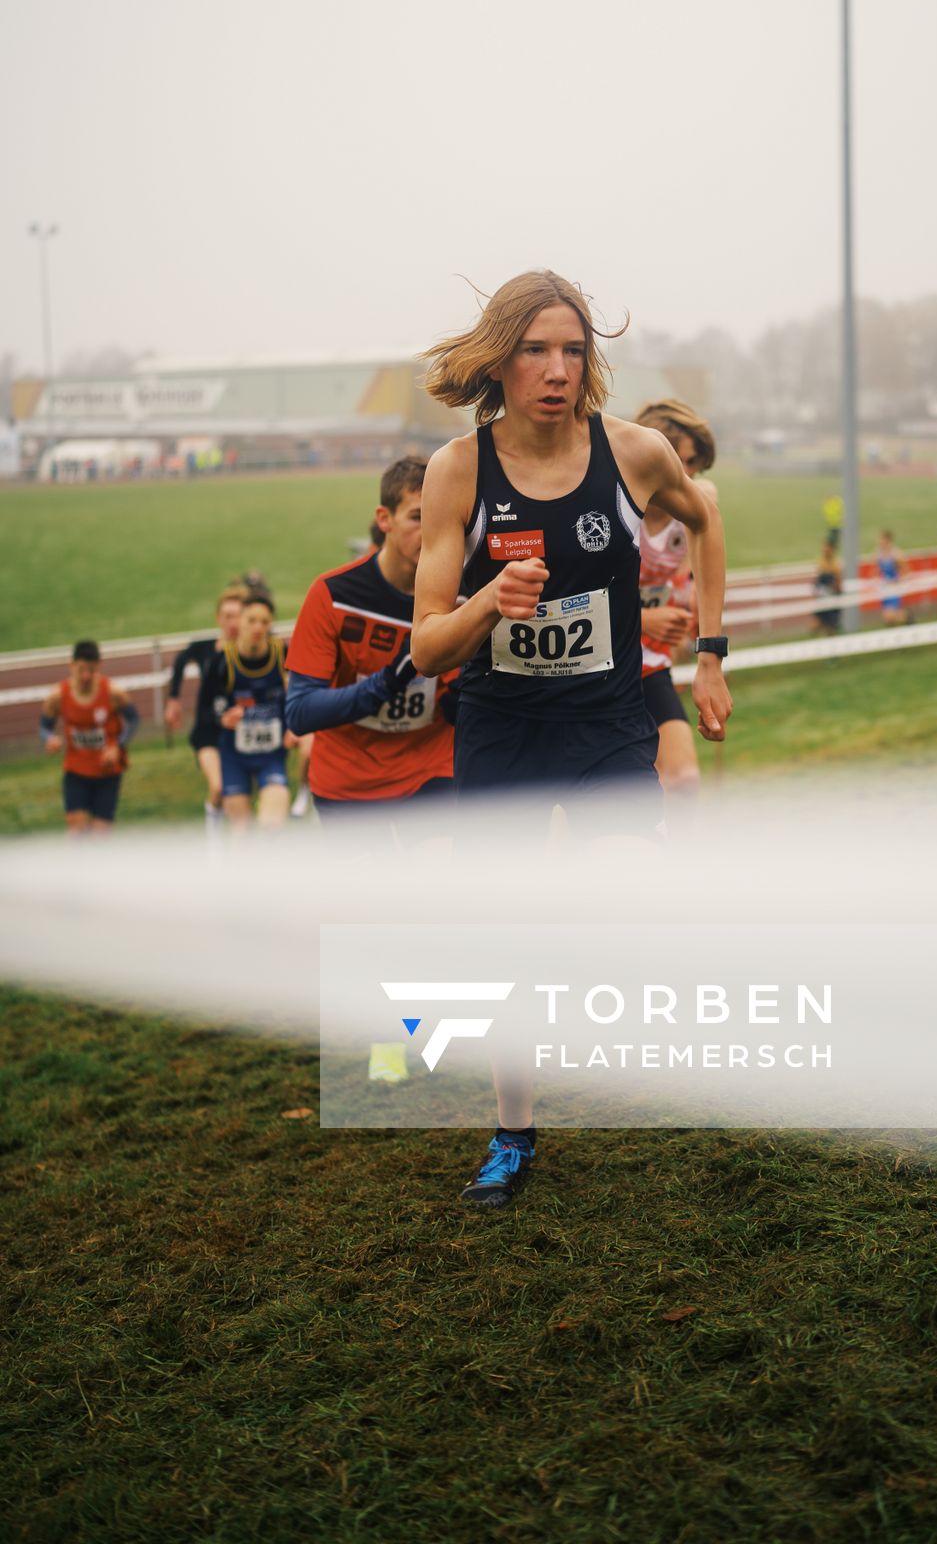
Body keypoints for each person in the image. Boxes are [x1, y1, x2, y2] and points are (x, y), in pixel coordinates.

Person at [411, 270, 731, 1209]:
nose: (555, 370)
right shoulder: (457, 471)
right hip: (503, 729)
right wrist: (485, 604)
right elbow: (428, 647)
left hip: (604, 725)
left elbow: (707, 522)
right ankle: (513, 1136)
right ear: (499, 359)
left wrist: (710, 655)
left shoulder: (631, 454)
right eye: (534, 350)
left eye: (572, 350)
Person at [284, 456, 456, 829]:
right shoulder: (332, 595)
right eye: (416, 516)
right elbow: (299, 712)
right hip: (349, 784)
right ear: (384, 519)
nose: (431, 530)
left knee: (439, 877)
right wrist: (386, 683)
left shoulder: (464, 595)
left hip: (432, 772)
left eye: (440, 514)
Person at [632, 398, 718, 802]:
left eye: (696, 466)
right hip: (593, 663)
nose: (692, 475)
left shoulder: (694, 505)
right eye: (684, 463)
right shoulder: (614, 506)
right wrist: (643, 620)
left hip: (649, 664)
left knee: (683, 781)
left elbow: (707, 502)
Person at [203, 593, 294, 830]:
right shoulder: (222, 662)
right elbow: (206, 711)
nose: (258, 627)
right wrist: (222, 718)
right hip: (235, 756)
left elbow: (297, 697)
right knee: (241, 838)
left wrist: (294, 727)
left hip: (272, 755)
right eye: (251, 620)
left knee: (271, 827)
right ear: (239, 622)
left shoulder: (282, 653)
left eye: (264, 622)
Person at [165, 584, 247, 835]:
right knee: (219, 787)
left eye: (238, 616)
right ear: (218, 618)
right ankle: (214, 836)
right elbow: (180, 660)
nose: (233, 622)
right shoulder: (205, 648)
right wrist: (173, 699)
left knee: (240, 798)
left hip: (240, 734)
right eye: (227, 616)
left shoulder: (253, 653)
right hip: (208, 732)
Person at [39, 640, 139, 833]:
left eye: (91, 670)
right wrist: (49, 739)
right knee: (76, 832)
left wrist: (117, 746)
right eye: (81, 669)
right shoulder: (58, 695)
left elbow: (133, 721)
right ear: (71, 665)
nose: (85, 676)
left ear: (99, 666)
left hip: (107, 771)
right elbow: (44, 726)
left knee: (99, 837)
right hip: (76, 771)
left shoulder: (113, 692)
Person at [874, 531, 908, 627]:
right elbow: (877, 569)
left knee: (890, 616)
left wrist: (898, 581)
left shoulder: (896, 554)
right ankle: (900, 628)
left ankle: (908, 619)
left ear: (888, 540)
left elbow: (905, 570)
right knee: (887, 619)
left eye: (882, 540)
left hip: (894, 588)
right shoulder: (879, 553)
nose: (880, 542)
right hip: (884, 588)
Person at [813, 534, 844, 633]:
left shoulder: (836, 564)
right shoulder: (820, 562)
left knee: (831, 627)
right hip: (822, 598)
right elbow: (817, 580)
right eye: (823, 547)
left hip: (832, 598)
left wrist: (832, 590)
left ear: (831, 549)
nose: (824, 549)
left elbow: (838, 586)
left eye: (826, 547)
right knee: (819, 625)